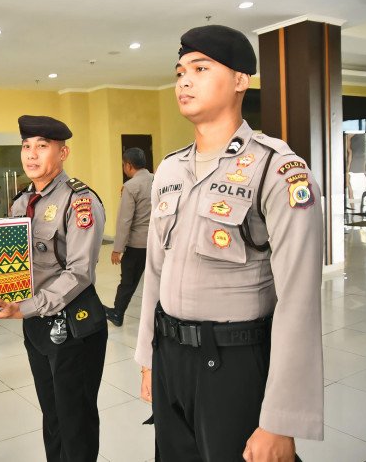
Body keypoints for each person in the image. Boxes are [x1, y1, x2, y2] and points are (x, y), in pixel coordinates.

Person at [135, 25, 324, 462]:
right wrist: (149, 357)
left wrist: (280, 420)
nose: (184, 81)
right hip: (170, 355)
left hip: (234, 360)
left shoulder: (276, 169)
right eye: (180, 71)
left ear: (241, 79)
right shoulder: (170, 170)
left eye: (200, 69)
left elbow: (299, 300)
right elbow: (155, 271)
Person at [0, 115, 107, 462]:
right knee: (52, 415)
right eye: (26, 146)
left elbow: (79, 273)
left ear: (63, 153)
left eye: (42, 146)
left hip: (74, 324)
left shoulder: (79, 201)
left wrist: (24, 307)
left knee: (75, 420)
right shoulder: (21, 201)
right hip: (36, 323)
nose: (31, 154)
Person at [104, 147, 153, 327]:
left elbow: (124, 220)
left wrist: (117, 249)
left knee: (128, 282)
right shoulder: (158, 180)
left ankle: (117, 313)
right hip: (156, 242)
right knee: (157, 281)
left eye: (124, 165)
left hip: (136, 245)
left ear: (129, 165)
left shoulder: (131, 187)